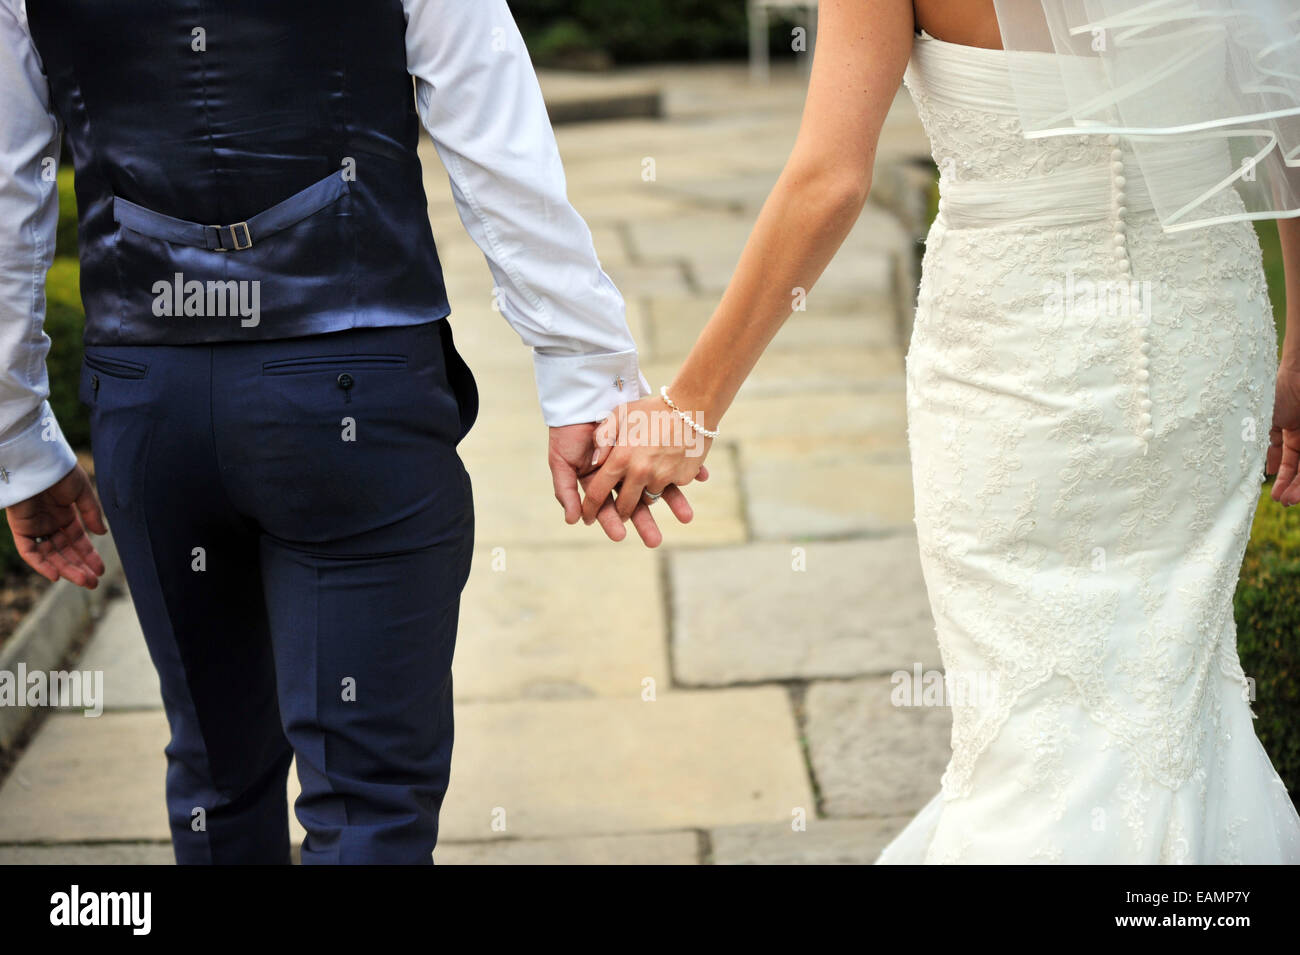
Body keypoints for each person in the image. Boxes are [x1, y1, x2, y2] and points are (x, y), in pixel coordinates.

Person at [588, 0, 1300, 862]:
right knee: (1182, 701)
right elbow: (1285, 105)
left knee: (1029, 728)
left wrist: (691, 404)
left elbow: (831, 180)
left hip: (1016, 367)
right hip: (1205, 341)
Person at [0, 0, 696, 863]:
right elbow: (495, 137)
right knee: (369, 803)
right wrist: (583, 372)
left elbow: (6, 189)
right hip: (351, 393)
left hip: (152, 396)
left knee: (217, 778)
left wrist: (18, 441)